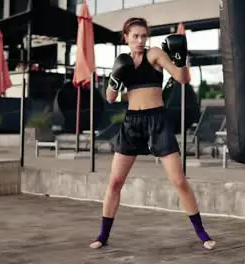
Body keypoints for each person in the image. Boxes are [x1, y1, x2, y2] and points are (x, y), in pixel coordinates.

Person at [89, 17, 216, 251]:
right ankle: (103, 235)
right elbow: (109, 97)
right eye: (135, 36)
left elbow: (182, 78)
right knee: (115, 182)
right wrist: (116, 76)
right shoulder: (123, 61)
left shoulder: (155, 54)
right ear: (125, 37)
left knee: (179, 180)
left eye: (143, 36)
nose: (139, 40)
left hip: (156, 121)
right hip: (131, 124)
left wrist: (181, 58)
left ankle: (202, 233)